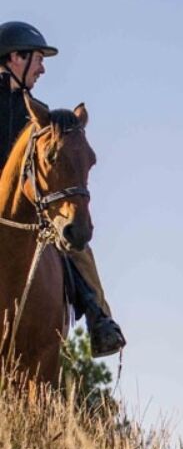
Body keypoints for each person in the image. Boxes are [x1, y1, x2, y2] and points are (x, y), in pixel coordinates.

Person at [0, 20, 125, 357]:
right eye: (37, 59)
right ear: (15, 58)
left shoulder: (36, 116)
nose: (41, 68)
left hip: (30, 207)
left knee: (75, 241)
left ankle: (100, 320)